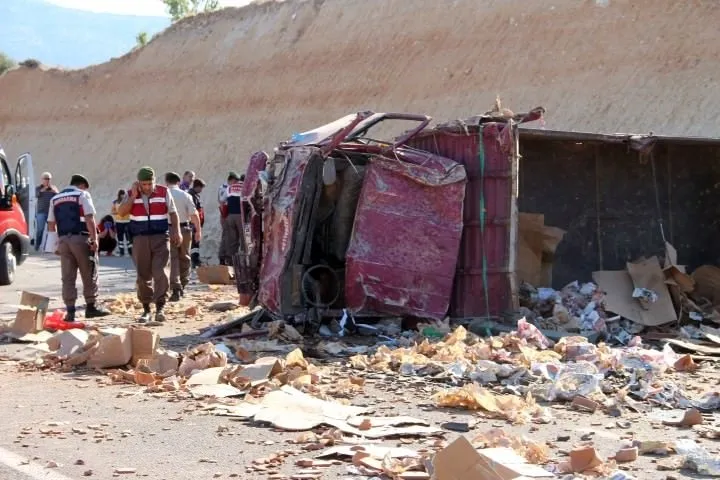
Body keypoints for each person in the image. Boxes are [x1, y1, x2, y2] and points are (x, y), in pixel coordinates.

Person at [116, 166, 181, 323]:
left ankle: (160, 307)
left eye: (149, 183)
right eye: (143, 184)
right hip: (140, 239)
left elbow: (173, 212)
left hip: (160, 237)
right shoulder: (131, 194)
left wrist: (176, 231)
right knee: (143, 275)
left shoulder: (164, 191)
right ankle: (146, 309)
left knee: (161, 272)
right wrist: (133, 196)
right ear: (138, 183)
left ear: (154, 181)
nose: (147, 187)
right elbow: (122, 212)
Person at [46, 174, 110, 322]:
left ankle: (70, 312)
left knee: (68, 277)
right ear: (81, 185)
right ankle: (91, 307)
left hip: (63, 240)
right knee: (89, 272)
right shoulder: (82, 194)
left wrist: (55, 244)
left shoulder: (55, 199)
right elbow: (89, 218)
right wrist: (95, 239)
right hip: (81, 238)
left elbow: (51, 224)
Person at [165, 172, 202, 302]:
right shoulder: (185, 195)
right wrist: (198, 230)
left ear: (166, 182)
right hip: (185, 229)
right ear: (178, 182)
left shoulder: (164, 195)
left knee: (172, 259)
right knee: (185, 257)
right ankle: (183, 284)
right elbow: (194, 214)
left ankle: (175, 288)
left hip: (169, 229)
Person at [219, 173, 249, 266]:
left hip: (230, 216)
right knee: (244, 239)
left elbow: (222, 200)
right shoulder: (246, 187)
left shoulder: (229, 187)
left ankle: (231, 262)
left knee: (232, 240)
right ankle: (244, 262)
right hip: (241, 216)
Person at [35, 172, 59, 251]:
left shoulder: (53, 188)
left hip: (51, 212)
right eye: (45, 178)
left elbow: (58, 197)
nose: (47, 180)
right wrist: (44, 189)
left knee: (52, 230)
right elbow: (36, 195)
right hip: (41, 212)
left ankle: (50, 247)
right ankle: (37, 246)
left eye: (48, 179)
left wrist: (54, 192)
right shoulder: (38, 188)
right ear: (42, 180)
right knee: (40, 230)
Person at [187, 178, 206, 268]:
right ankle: (194, 260)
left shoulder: (195, 195)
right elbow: (193, 211)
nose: (201, 190)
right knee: (194, 243)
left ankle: (195, 259)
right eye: (201, 188)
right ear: (197, 187)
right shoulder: (191, 195)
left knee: (195, 243)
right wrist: (195, 223)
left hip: (196, 223)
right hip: (193, 223)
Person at [112, 189, 132, 256]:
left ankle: (130, 251)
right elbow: (112, 212)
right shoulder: (115, 202)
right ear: (119, 195)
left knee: (128, 237)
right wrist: (119, 212)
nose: (123, 195)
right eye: (122, 194)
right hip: (119, 222)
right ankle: (121, 251)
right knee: (120, 237)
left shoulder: (128, 202)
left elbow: (131, 210)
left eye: (124, 194)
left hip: (127, 221)